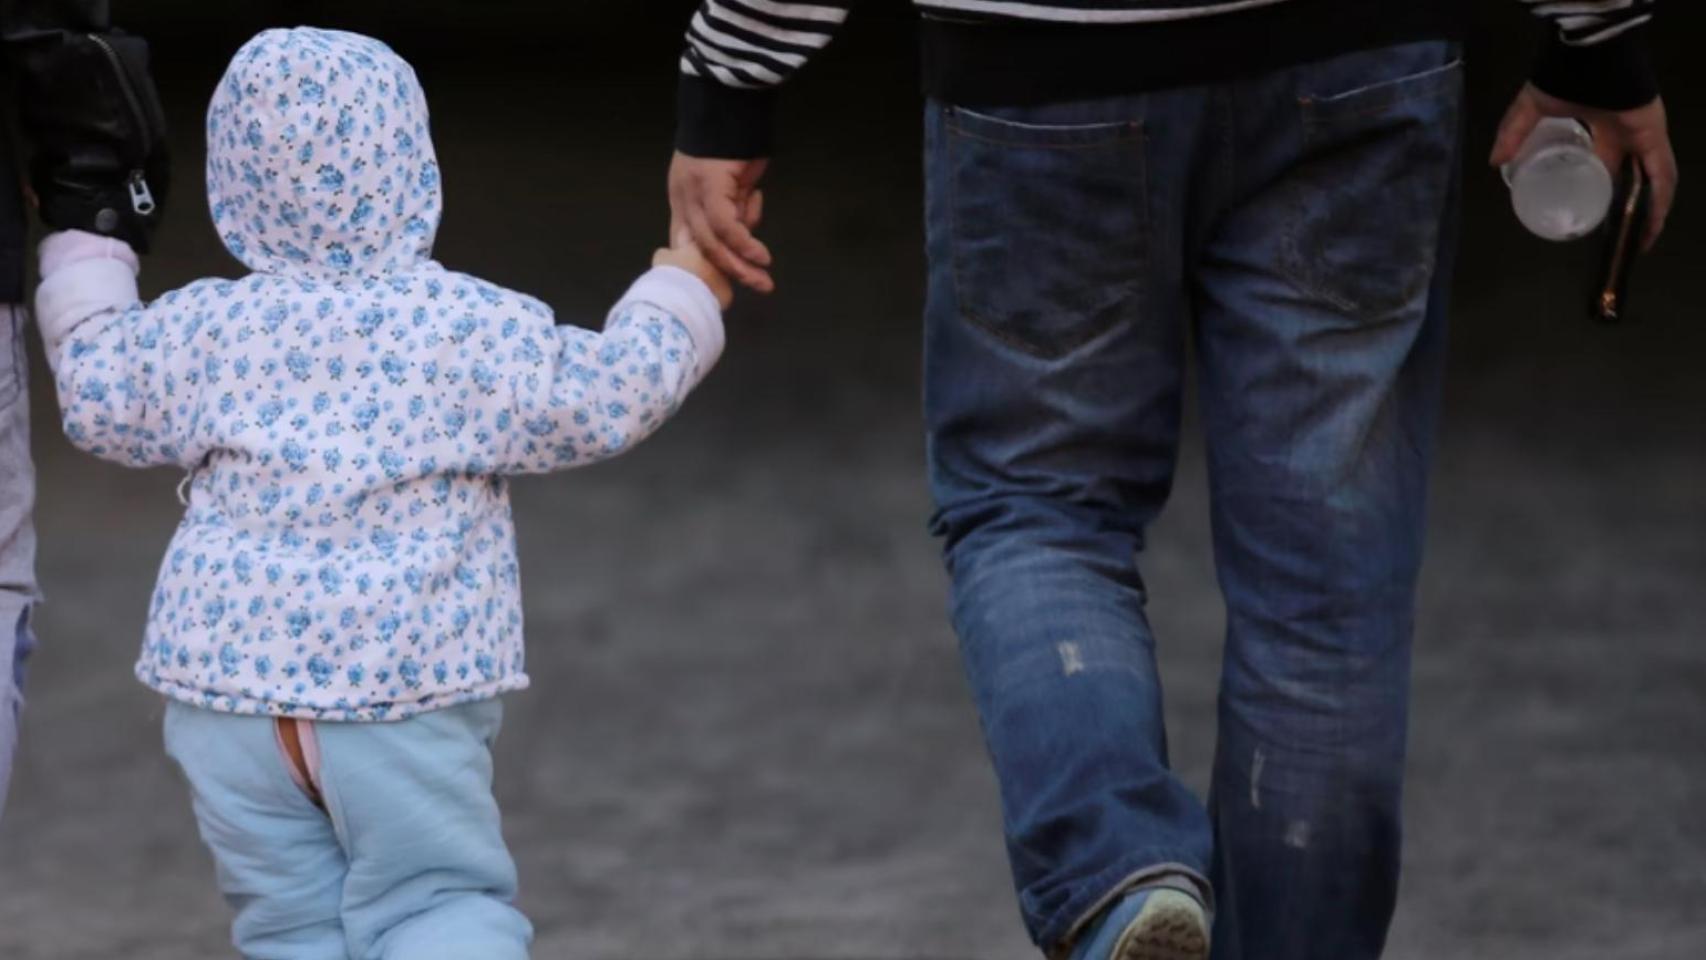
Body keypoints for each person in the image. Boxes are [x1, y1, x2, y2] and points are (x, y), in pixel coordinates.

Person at [667, 2, 1677, 959]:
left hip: (1045, 76)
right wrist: (1598, 40)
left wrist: (733, 72)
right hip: (1357, 63)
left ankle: (1117, 872)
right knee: (1324, 582)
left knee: (1036, 509)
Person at [32, 27, 732, 959]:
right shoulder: (461, 329)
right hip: (397, 690)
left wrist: (86, 247)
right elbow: (601, 395)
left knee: (287, 931)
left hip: (226, 699)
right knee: (433, 909)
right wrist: (682, 291)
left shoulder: (207, 328)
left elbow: (99, 390)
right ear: (414, 168)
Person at [0, 0, 169, 822]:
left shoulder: (215, 333)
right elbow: (109, 399)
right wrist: (91, 221)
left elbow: (113, 404)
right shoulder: (475, 328)